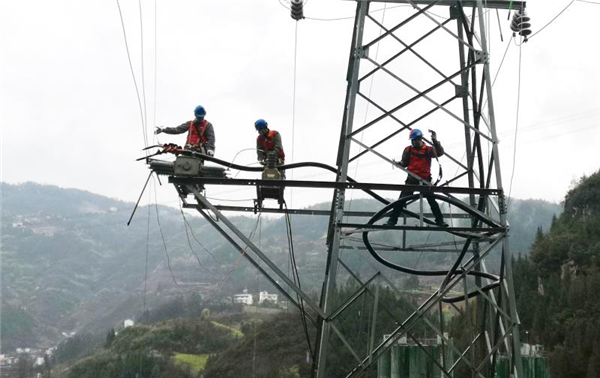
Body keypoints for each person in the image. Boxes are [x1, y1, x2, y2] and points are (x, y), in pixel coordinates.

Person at [386, 128, 447, 227]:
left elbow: (439, 153)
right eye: (413, 140)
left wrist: (435, 141)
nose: (414, 142)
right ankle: (392, 221)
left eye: (415, 140)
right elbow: (404, 163)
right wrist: (398, 164)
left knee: (432, 201)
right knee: (401, 201)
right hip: (411, 180)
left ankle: (440, 221)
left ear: (420, 139)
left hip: (425, 180)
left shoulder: (428, 150)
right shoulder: (408, 150)